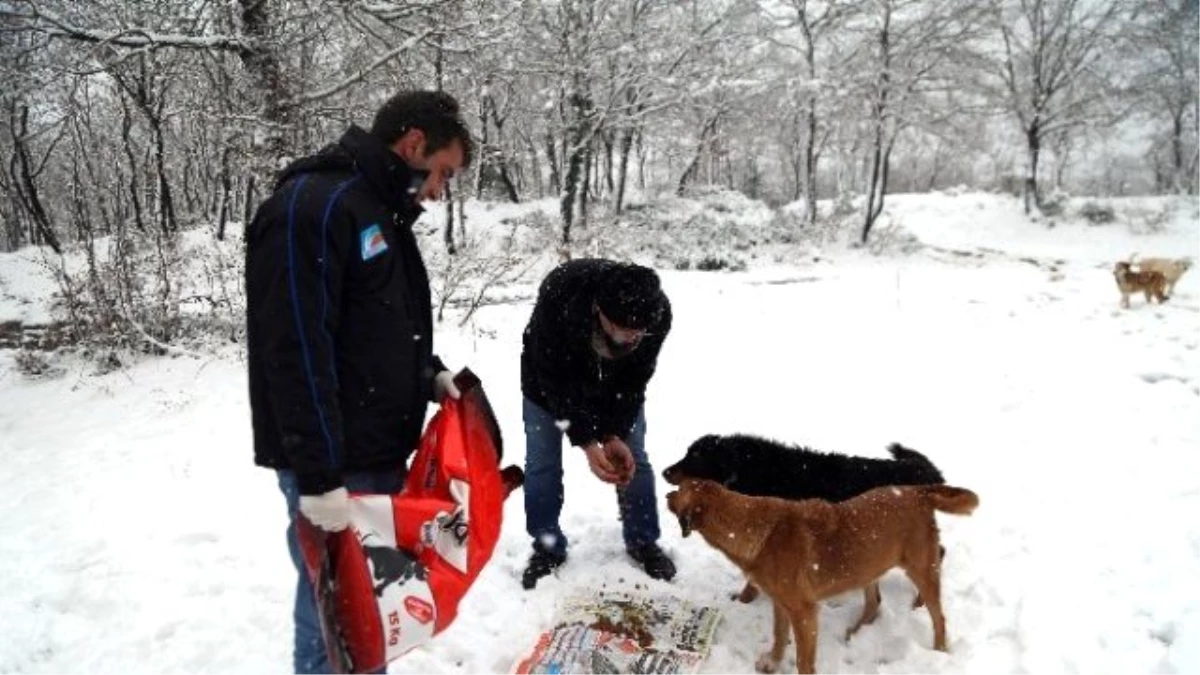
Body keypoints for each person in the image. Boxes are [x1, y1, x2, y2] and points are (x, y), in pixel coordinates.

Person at [244, 90, 472, 674]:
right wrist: (318, 477)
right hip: (333, 459)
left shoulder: (378, 210)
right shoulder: (313, 206)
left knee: (369, 607)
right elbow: (294, 348)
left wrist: (429, 373)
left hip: (372, 450)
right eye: (443, 171)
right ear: (413, 143)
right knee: (332, 613)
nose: (441, 189)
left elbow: (374, 325)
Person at [519, 258, 675, 589]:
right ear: (598, 310)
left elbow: (636, 379)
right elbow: (555, 380)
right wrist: (587, 441)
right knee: (542, 464)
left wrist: (613, 432)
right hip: (547, 387)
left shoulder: (658, 314)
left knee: (635, 458)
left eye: (636, 333)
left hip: (614, 389)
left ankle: (643, 540)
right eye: (618, 328)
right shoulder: (561, 293)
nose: (626, 338)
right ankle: (546, 547)